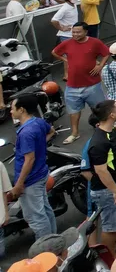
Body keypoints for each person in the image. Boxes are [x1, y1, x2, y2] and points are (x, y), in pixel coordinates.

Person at [87, 100, 116, 256]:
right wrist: (115, 190)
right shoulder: (97, 142)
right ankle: (109, 260)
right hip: (107, 191)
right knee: (110, 226)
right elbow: (101, 170)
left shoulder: (113, 132)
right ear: (111, 115)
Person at [52, 22, 108, 143]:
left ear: (86, 32)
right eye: (73, 32)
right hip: (72, 85)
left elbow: (106, 53)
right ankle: (74, 133)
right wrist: (65, 59)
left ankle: (104, 129)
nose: (75, 34)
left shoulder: (95, 42)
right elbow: (55, 52)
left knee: (98, 108)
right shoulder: (67, 43)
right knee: (73, 111)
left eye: (78, 32)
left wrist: (100, 66)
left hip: (92, 84)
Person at [10, 94, 57, 240]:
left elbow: (29, 160)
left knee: (35, 217)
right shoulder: (38, 122)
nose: (11, 111)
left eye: (12, 108)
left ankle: (46, 248)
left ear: (22, 110)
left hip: (31, 180)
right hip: (41, 174)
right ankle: (54, 240)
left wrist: (19, 184)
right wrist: (40, 145)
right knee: (45, 209)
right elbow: (52, 131)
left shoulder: (26, 133)